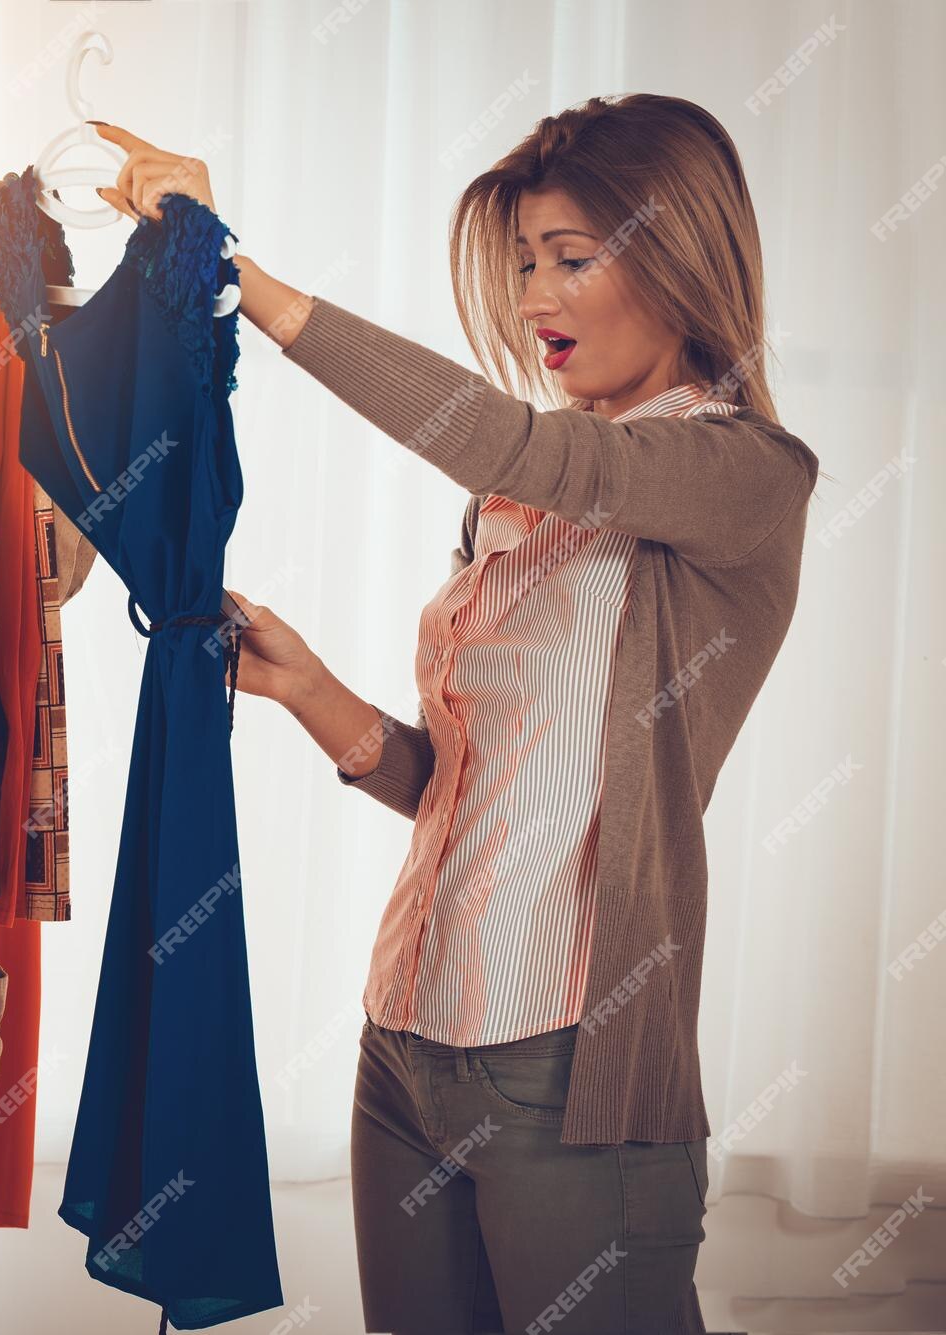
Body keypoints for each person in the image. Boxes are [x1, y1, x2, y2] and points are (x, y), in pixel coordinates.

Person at [90, 94, 819, 1334]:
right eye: (524, 259)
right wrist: (315, 695)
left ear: (683, 259)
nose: (534, 296)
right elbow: (473, 784)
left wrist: (233, 274)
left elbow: (537, 451)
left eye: (571, 260)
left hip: (567, 1069)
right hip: (407, 1042)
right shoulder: (515, 497)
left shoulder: (741, 476)